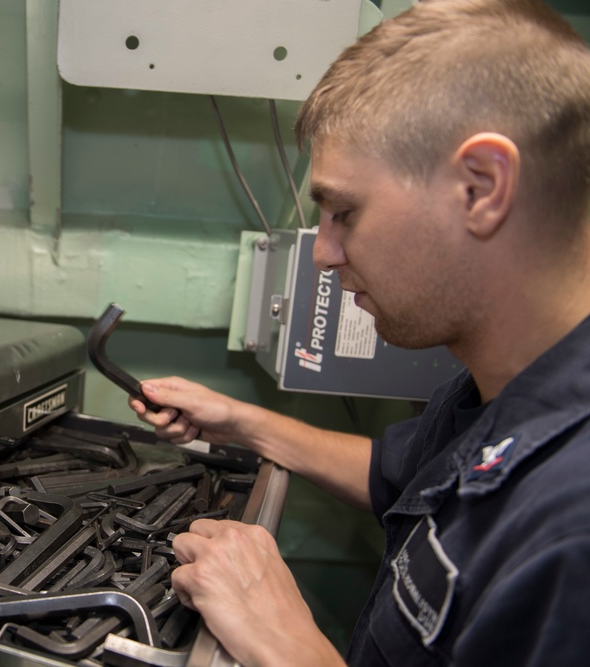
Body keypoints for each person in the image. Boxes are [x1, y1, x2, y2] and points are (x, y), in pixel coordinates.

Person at [128, 0, 590, 664]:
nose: (323, 252)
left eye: (344, 210)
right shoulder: (497, 385)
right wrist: (239, 420)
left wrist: (287, 641)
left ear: (481, 187)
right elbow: (392, 475)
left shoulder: (573, 531)